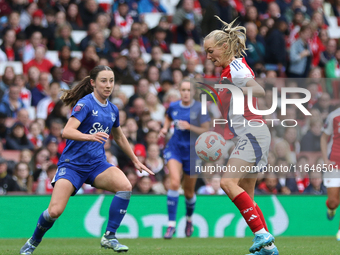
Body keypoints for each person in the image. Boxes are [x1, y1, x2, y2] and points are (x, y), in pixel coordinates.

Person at [20, 65, 153, 255]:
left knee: (125, 186)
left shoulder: (113, 109)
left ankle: (109, 236)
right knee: (54, 212)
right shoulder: (85, 104)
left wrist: (135, 160)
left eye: (111, 81)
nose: (108, 85)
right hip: (72, 165)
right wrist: (90, 137)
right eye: (104, 81)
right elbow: (67, 131)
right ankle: (33, 241)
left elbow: (120, 137)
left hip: (97, 164)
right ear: (93, 83)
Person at [203, 16, 278, 255]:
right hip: (251, 134)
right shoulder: (230, 68)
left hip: (253, 133)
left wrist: (240, 86)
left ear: (224, 47)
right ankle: (268, 248)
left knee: (227, 183)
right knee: (247, 194)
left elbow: (258, 89)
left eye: (210, 51)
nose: (208, 56)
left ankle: (262, 234)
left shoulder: (236, 68)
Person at [159, 79, 210, 239]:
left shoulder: (199, 108)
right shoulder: (174, 106)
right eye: (183, 90)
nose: (186, 93)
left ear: (193, 92)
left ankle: (189, 220)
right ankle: (171, 225)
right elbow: (168, 117)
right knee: (174, 183)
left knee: (188, 192)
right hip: (175, 149)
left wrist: (190, 127)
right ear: (179, 91)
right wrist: (165, 128)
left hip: (193, 152)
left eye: (188, 90)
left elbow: (206, 130)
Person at [321, 107, 340, 240]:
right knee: (333, 201)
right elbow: (324, 137)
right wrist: (325, 159)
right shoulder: (334, 115)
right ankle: (331, 209)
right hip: (334, 162)